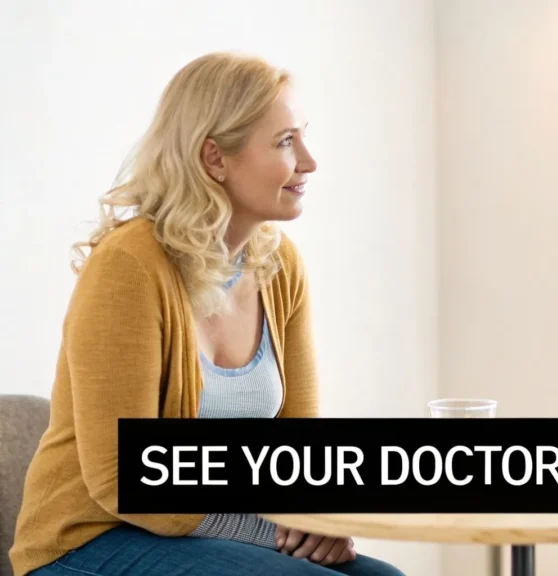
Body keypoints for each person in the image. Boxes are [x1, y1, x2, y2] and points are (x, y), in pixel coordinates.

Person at [9, 52, 404, 576]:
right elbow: (121, 476)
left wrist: (316, 519)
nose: (309, 161)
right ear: (215, 158)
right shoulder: (128, 266)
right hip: (90, 542)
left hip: (213, 539)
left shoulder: (279, 264)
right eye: (286, 141)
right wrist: (275, 533)